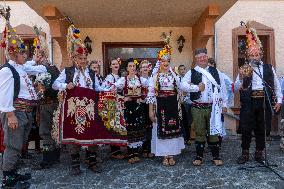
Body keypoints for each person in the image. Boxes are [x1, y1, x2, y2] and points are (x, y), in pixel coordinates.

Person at [0, 8, 47, 188]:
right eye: (22, 52)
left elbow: (40, 69)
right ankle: (7, 179)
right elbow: (3, 94)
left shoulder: (21, 67)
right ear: (12, 54)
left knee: (19, 144)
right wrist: (10, 115)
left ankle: (12, 173)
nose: (25, 55)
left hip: (25, 112)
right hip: (16, 112)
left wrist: (36, 61)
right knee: (12, 145)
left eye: (25, 52)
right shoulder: (7, 70)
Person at [52, 24, 105, 175]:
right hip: (72, 109)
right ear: (74, 58)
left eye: (85, 58)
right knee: (73, 136)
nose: (83, 60)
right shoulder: (67, 71)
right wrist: (65, 85)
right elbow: (55, 85)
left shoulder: (91, 74)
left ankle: (92, 161)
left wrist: (111, 90)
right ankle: (75, 164)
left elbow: (99, 88)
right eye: (80, 58)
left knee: (92, 134)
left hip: (89, 109)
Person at [235, 22, 282, 164]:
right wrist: (242, 77)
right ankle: (245, 153)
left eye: (257, 54)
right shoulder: (244, 68)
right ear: (248, 55)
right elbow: (236, 86)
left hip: (263, 101)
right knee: (246, 128)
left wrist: (279, 101)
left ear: (260, 54)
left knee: (262, 128)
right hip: (248, 102)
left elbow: (276, 86)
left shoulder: (268, 68)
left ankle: (259, 153)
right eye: (252, 54)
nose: (255, 56)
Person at [180, 48, 227, 166]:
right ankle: (199, 157)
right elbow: (182, 85)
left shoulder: (216, 71)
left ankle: (216, 156)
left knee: (213, 132)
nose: (202, 59)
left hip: (213, 108)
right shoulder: (191, 72)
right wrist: (196, 88)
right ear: (196, 59)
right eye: (199, 57)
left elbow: (223, 89)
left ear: (207, 57)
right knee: (199, 132)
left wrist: (224, 105)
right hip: (197, 107)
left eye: (204, 56)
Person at [147, 34, 185, 166]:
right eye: (163, 61)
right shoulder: (155, 76)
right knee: (161, 129)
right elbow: (151, 94)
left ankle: (171, 154)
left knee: (173, 127)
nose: (166, 63)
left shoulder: (174, 75)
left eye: (167, 61)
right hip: (160, 105)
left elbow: (181, 87)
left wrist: (196, 87)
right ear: (160, 62)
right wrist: (151, 111)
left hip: (173, 105)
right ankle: (164, 155)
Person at [32, 25, 61, 169]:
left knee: (46, 131)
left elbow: (53, 87)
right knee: (49, 130)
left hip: (49, 104)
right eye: (36, 55)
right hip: (45, 104)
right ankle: (54, 157)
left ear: (44, 56)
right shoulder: (40, 69)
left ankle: (48, 159)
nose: (37, 58)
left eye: (40, 55)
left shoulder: (49, 69)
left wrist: (42, 89)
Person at [113, 58, 148, 163]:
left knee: (138, 127)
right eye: (130, 66)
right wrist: (123, 98)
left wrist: (143, 98)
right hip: (128, 107)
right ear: (127, 68)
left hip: (138, 106)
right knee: (129, 128)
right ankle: (130, 153)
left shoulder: (141, 79)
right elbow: (112, 89)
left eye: (133, 66)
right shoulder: (123, 80)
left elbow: (151, 88)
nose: (132, 68)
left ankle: (136, 152)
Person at [102, 59, 126, 159]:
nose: (115, 65)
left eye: (117, 64)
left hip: (120, 103)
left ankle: (119, 148)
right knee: (114, 125)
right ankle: (114, 151)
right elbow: (105, 89)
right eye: (113, 64)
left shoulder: (120, 77)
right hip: (112, 103)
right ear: (110, 66)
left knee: (119, 124)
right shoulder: (109, 77)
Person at [139, 60, 154, 158]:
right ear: (140, 69)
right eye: (143, 67)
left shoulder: (153, 79)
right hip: (141, 106)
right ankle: (144, 148)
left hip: (151, 105)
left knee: (151, 127)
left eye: (146, 66)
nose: (145, 68)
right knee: (143, 126)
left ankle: (150, 148)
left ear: (149, 68)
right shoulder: (136, 79)